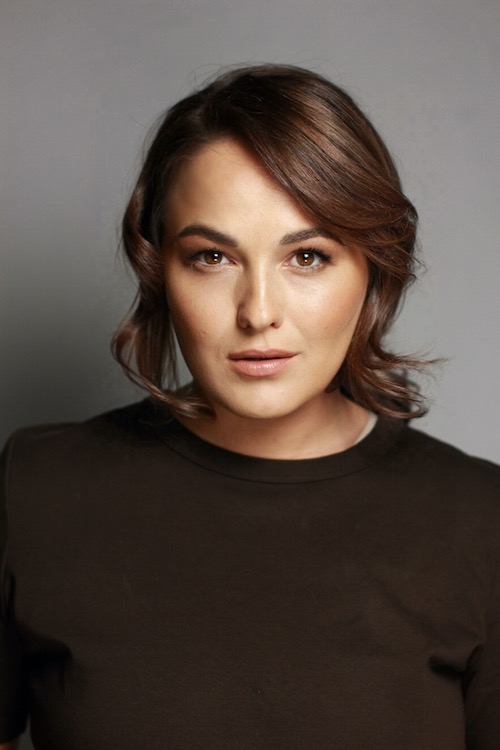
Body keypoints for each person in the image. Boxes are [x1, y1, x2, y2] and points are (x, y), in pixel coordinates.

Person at [1, 64, 499, 750]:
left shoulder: (481, 522)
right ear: (158, 269)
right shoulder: (36, 490)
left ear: (374, 270)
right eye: (212, 256)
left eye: (308, 257)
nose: (258, 312)